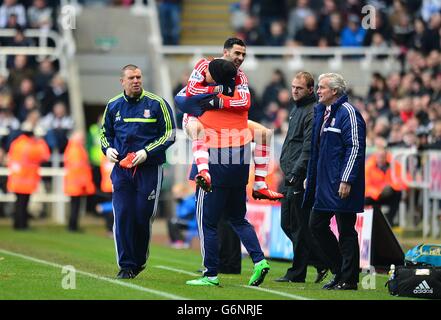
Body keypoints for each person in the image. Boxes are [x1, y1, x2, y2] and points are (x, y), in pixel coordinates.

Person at [175, 61, 271, 288]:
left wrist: (210, 91)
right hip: (240, 161)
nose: (204, 72)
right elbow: (253, 115)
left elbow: (183, 98)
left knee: (207, 223)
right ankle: (259, 260)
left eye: (209, 71)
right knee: (238, 218)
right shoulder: (240, 98)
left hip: (215, 161)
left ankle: (210, 274)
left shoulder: (204, 101)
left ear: (215, 77)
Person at [180, 38, 283, 202]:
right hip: (197, 118)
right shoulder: (203, 65)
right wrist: (222, 90)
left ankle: (260, 186)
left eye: (243, 54)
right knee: (197, 129)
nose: (241, 58)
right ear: (225, 52)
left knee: (264, 134)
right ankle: (204, 173)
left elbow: (245, 102)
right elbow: (191, 91)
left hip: (226, 121)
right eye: (237, 53)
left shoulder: (240, 76)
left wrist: (218, 101)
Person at [100, 64, 176, 279]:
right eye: (131, 78)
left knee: (142, 216)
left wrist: (146, 152)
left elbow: (170, 134)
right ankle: (126, 265)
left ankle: (139, 260)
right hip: (122, 171)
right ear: (122, 81)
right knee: (122, 215)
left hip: (149, 170)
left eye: (139, 77)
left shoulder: (157, 104)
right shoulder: (113, 105)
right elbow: (105, 133)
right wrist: (108, 149)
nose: (136, 81)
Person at [304, 73, 366, 290]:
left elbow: (355, 147)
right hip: (325, 184)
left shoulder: (348, 113)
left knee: (346, 230)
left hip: (341, 184)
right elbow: (319, 151)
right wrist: (310, 178)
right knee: (316, 225)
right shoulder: (325, 112)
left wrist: (347, 179)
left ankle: (349, 279)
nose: (318, 91)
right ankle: (340, 270)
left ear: (335, 91)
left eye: (322, 87)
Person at [275, 71, 329, 283]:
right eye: (293, 87)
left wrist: (297, 173)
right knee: (287, 225)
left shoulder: (312, 111)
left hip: (298, 177)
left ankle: (298, 272)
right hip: (289, 174)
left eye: (299, 88)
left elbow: (308, 147)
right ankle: (322, 261)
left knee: (298, 226)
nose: (294, 91)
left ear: (310, 89)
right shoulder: (297, 109)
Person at [6, 109, 50, 230]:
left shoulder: (16, 143)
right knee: (23, 203)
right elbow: (45, 155)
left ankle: (17, 224)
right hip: (26, 179)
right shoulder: (32, 146)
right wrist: (40, 141)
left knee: (18, 203)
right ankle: (22, 225)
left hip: (16, 178)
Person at [365, 143, 407, 227]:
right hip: (373, 196)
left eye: (383, 156)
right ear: (375, 156)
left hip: (387, 193)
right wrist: (379, 192)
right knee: (364, 200)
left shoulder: (394, 165)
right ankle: (370, 224)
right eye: (379, 156)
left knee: (398, 194)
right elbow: (366, 185)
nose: (381, 158)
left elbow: (403, 180)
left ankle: (389, 221)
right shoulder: (369, 166)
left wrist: (390, 187)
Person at [63, 130, 96, 232]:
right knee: (75, 206)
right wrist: (84, 182)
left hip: (74, 183)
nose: (83, 140)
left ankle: (73, 225)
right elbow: (79, 168)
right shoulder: (75, 149)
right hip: (76, 183)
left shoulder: (74, 148)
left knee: (75, 206)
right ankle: (72, 226)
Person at [167, 182, 198, 249]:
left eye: (177, 193)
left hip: (192, 224)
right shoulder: (180, 202)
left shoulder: (189, 200)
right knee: (170, 220)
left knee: (174, 221)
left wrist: (182, 201)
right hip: (185, 222)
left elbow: (185, 214)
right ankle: (174, 241)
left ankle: (181, 241)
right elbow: (179, 215)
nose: (175, 195)